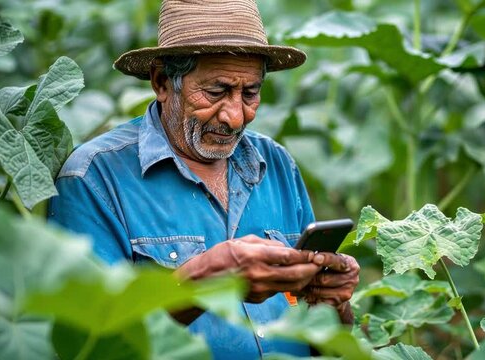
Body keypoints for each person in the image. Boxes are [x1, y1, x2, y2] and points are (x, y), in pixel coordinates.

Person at [47, 0, 360, 358]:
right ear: (162, 82)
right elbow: (88, 343)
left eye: (250, 93)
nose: (235, 117)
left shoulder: (276, 164)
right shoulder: (94, 178)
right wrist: (205, 278)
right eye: (216, 92)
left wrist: (334, 305)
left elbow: (323, 335)